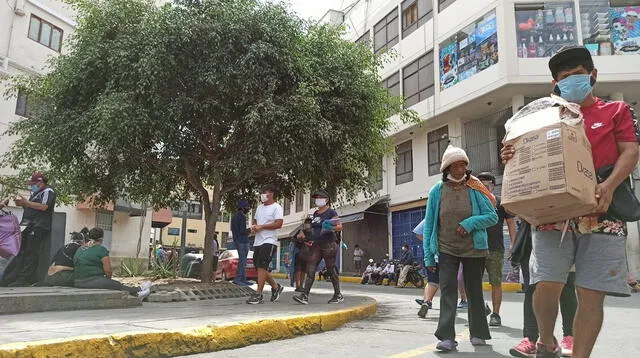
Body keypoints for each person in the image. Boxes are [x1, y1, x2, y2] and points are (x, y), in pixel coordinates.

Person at [502, 45, 638, 358]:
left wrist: (608, 185)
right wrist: (509, 155)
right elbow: (521, 156)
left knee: (590, 294)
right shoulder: (541, 117)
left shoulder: (616, 111)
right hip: (553, 214)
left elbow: (630, 151)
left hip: (604, 211)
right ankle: (546, 341)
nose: (572, 81)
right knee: (546, 282)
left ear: (592, 75)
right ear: (556, 85)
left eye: (578, 74)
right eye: (565, 77)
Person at [423, 145, 498, 352]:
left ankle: (479, 332)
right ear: (447, 168)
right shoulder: (437, 191)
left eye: (463, 164)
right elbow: (430, 224)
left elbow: (492, 216)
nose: (460, 169)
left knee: (474, 290)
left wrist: (470, 223)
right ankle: (446, 337)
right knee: (448, 290)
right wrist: (428, 256)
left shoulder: (475, 187)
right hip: (446, 248)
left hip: (474, 248)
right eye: (455, 165)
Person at [510, 220, 577, 358]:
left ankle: (569, 337)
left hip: (568, 229)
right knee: (532, 287)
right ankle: (531, 339)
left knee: (567, 287)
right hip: (534, 229)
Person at [476, 172, 517, 327]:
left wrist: (514, 245)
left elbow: (511, 224)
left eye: (487, 184)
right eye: (481, 184)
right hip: (476, 248)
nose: (484, 187)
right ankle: (481, 308)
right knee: (472, 282)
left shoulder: (500, 203)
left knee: (496, 282)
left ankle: (496, 314)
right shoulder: (475, 202)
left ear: (493, 186)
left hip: (495, 249)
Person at [4, 172, 57, 287]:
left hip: (39, 225)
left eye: (34, 183)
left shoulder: (48, 191)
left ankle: (26, 278)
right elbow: (32, 206)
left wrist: (27, 203)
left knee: (31, 251)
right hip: (28, 224)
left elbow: (44, 207)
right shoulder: (35, 193)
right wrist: (23, 204)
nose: (32, 186)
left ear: (40, 182)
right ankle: (15, 276)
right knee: (22, 251)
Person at [293, 189, 343, 304]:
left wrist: (329, 227)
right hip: (316, 245)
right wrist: (306, 237)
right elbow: (314, 230)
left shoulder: (331, 213)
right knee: (311, 268)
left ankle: (338, 294)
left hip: (329, 244)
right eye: (316, 198)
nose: (317, 200)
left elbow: (339, 227)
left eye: (320, 198)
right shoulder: (315, 214)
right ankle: (304, 295)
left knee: (330, 269)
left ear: (326, 200)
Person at [74, 228, 151, 298]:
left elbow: (75, 262)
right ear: (101, 238)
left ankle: (137, 294)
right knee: (116, 284)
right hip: (93, 281)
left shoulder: (81, 249)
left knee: (113, 284)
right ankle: (139, 289)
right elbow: (108, 271)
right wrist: (107, 280)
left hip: (77, 281)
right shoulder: (101, 250)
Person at [246, 185, 284, 304]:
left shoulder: (277, 207)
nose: (262, 194)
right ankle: (275, 286)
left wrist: (262, 226)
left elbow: (278, 223)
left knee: (262, 266)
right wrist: (254, 226)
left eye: (264, 192)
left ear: (271, 194)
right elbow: (256, 221)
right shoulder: (259, 208)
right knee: (258, 267)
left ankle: (259, 294)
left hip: (269, 240)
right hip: (258, 241)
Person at [413, 219, 439, 318]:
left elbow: (417, 232)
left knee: (432, 281)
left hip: (432, 256)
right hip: (448, 256)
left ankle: (427, 301)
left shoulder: (430, 217)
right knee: (446, 283)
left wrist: (429, 241)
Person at [231, 200, 252, 286]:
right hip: (243, 241)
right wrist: (250, 230)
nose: (248, 209)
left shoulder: (234, 217)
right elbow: (242, 230)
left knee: (242, 260)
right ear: (243, 208)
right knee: (243, 261)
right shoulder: (242, 217)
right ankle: (239, 279)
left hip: (237, 240)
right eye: (247, 207)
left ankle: (243, 279)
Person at [291, 218, 311, 292]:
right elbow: (293, 239)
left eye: (308, 223)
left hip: (307, 254)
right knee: (298, 270)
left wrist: (305, 240)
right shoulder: (301, 231)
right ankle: (298, 286)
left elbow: (313, 241)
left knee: (304, 270)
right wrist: (299, 238)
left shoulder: (312, 233)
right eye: (306, 223)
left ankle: (301, 286)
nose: (307, 224)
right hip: (299, 253)